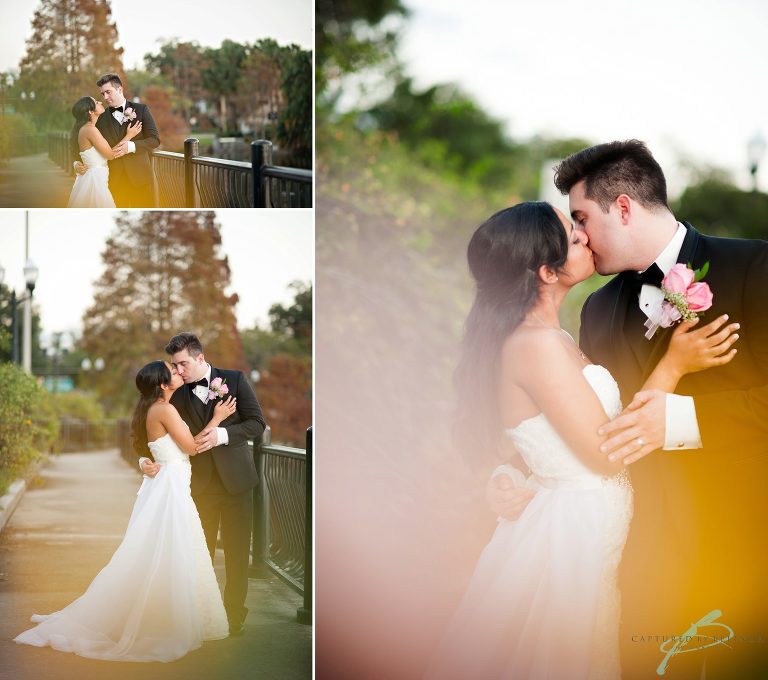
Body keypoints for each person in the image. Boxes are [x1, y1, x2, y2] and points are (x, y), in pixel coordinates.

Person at [426, 201, 738, 679]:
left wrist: (507, 474)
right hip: (572, 536)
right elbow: (608, 452)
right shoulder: (536, 346)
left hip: (587, 523)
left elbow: (533, 439)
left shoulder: (555, 338)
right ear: (547, 273)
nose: (586, 237)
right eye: (573, 237)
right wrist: (673, 366)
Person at [550, 140, 768, 678]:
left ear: (623, 207)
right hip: (643, 556)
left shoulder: (755, 266)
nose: (577, 236)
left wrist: (677, 421)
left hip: (744, 551)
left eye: (581, 218)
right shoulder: (597, 310)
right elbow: (596, 425)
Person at [14, 360, 234, 661]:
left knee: (171, 551)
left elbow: (152, 448)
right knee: (168, 551)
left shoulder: (154, 408)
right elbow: (192, 448)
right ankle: (164, 619)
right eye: (172, 370)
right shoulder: (164, 410)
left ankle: (171, 614)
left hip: (171, 485)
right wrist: (217, 418)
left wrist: (145, 461)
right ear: (162, 384)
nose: (178, 372)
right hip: (170, 488)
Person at [140, 332, 265, 636]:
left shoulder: (234, 380)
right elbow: (144, 434)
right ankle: (202, 619)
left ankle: (235, 616)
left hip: (238, 485)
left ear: (200, 358)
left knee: (237, 556)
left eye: (182, 364)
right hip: (197, 488)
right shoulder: (173, 393)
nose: (178, 371)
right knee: (199, 555)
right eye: (174, 365)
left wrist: (222, 435)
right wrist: (142, 461)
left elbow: (256, 423)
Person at [75, 74, 160, 207]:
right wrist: (76, 163)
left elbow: (155, 140)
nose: (105, 97)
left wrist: (131, 146)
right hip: (114, 181)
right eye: (103, 94)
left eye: (108, 92)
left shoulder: (141, 109)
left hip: (141, 179)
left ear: (119, 89)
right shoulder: (99, 118)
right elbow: (83, 146)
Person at [67, 96, 142, 208]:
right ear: (91, 112)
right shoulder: (90, 130)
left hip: (94, 178)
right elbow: (111, 155)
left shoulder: (85, 128)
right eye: (97, 102)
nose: (101, 102)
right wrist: (129, 135)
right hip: (94, 182)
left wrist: (76, 163)